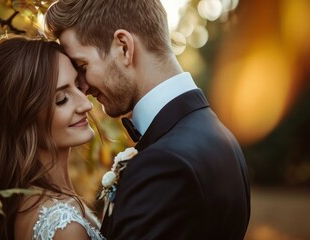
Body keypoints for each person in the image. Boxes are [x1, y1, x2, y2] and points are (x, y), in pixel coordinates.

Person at [45, 0, 251, 239]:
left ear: (124, 47)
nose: (82, 86)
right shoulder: (218, 136)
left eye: (83, 65)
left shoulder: (165, 164)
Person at [0, 35, 105, 240]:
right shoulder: (64, 228)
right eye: (62, 99)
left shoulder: (24, 204)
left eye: (78, 85)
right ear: (23, 119)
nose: (86, 104)